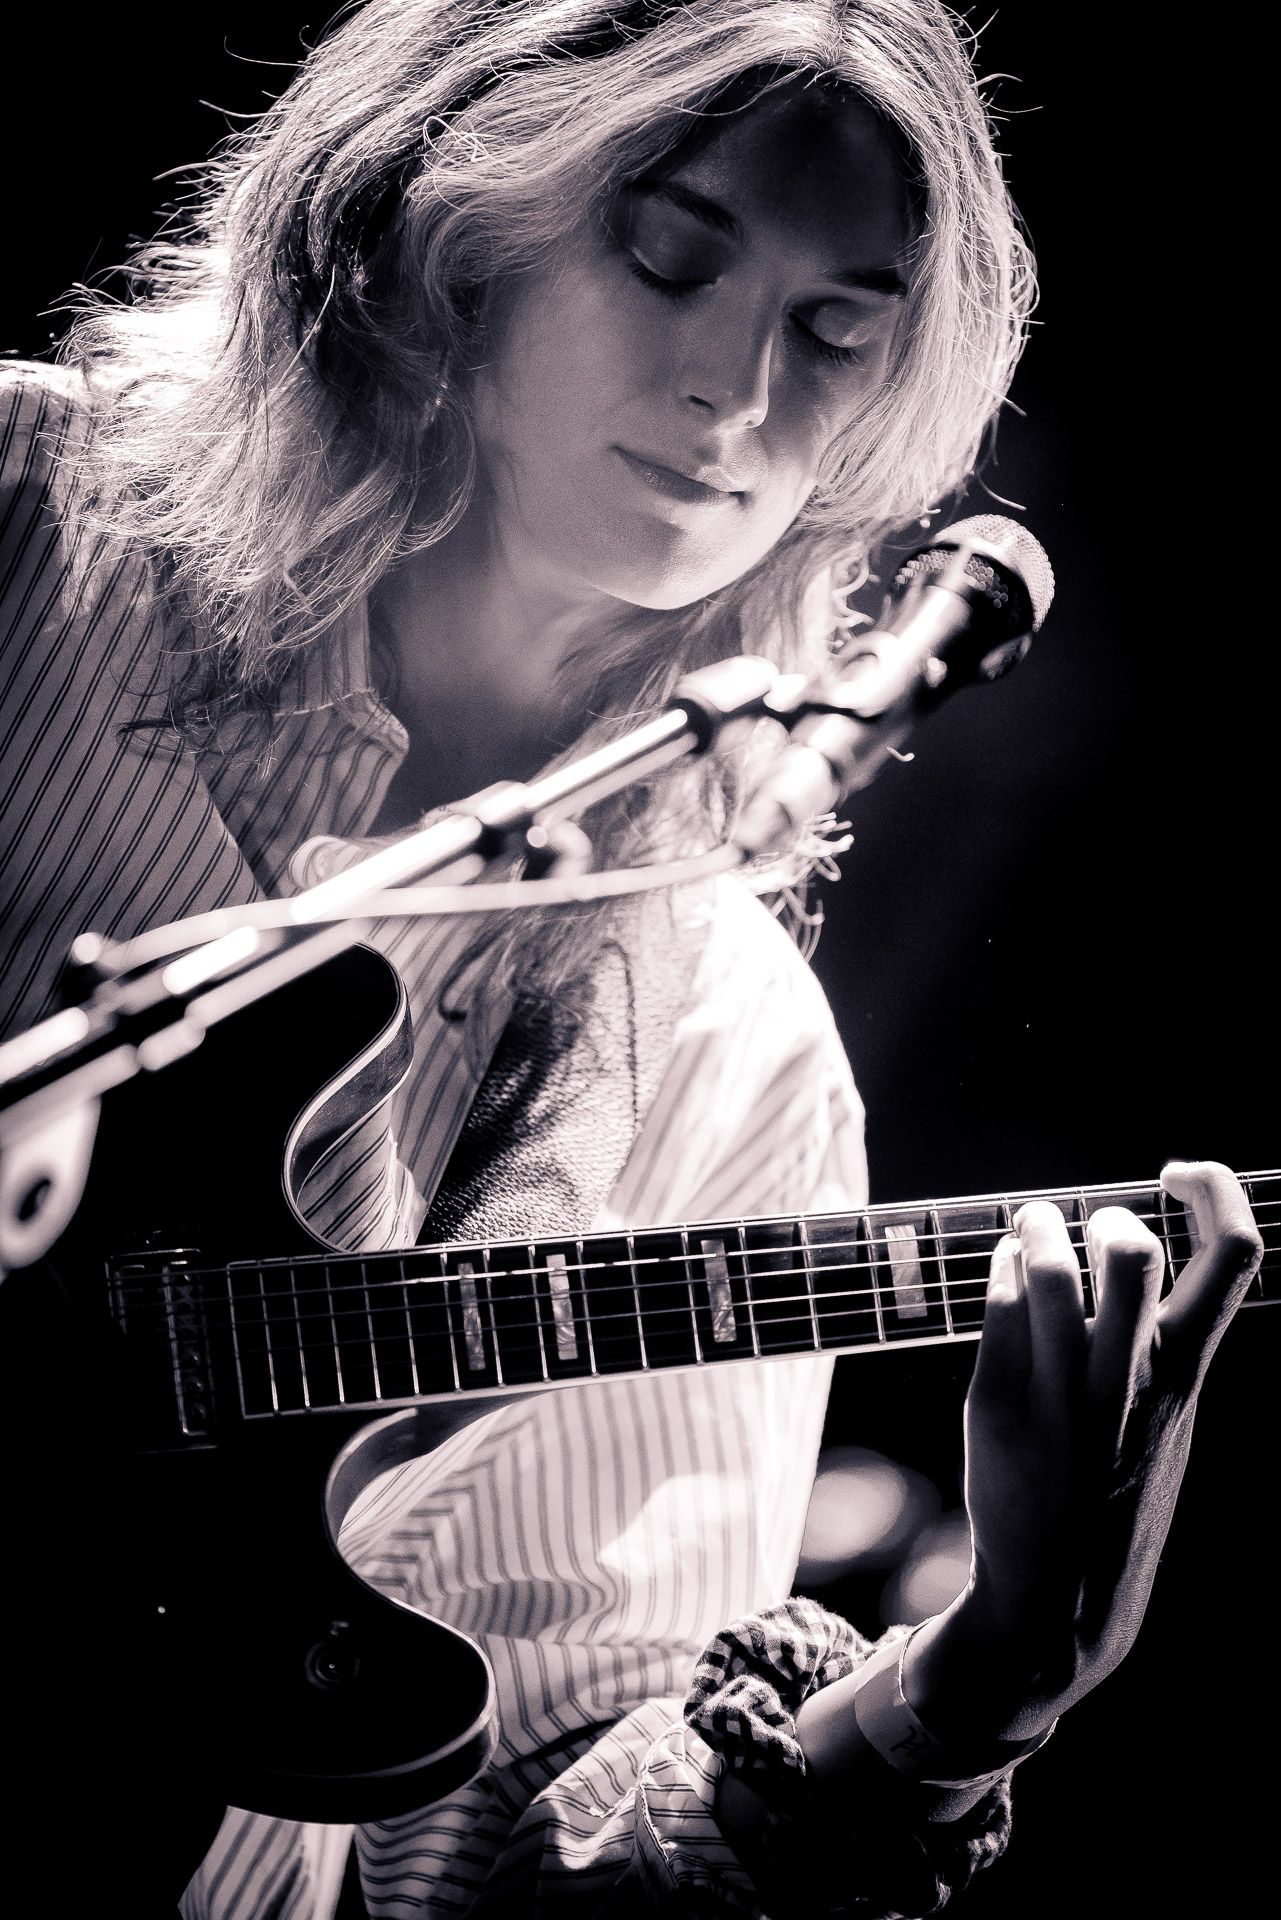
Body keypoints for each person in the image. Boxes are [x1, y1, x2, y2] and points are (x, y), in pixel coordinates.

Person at [0, 2, 1262, 1916]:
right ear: (443, 223)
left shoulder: (731, 1051)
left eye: (834, 331)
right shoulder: (24, 526)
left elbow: (518, 1847)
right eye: (673, 255)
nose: (739, 392)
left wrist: (966, 1696)